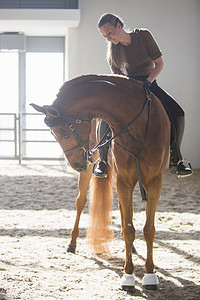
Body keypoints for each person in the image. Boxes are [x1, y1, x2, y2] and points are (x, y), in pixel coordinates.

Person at [94, 13, 192, 178]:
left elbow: (159, 64)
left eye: (109, 33)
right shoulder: (113, 52)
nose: (109, 39)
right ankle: (102, 161)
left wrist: (147, 81)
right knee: (105, 117)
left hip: (150, 83)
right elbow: (117, 77)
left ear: (119, 25)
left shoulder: (144, 36)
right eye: (105, 36)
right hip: (129, 88)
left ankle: (177, 159)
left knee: (178, 113)